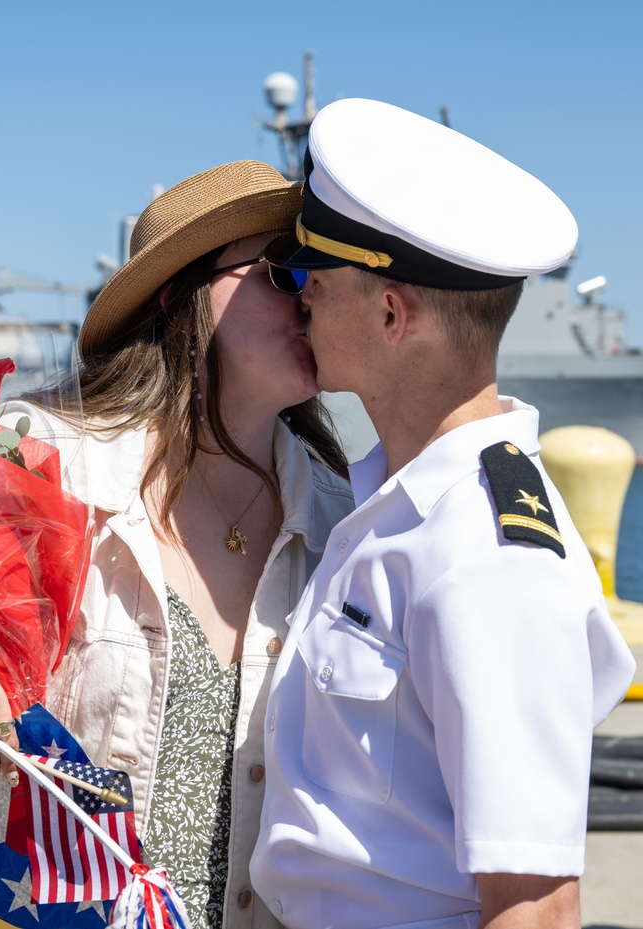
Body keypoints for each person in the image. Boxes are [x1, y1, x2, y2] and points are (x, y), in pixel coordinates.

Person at [0, 159, 355, 929]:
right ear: (178, 296)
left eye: (322, 270)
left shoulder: (345, 516)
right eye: (284, 267)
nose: (312, 291)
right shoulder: (41, 459)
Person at [248, 98, 638, 929]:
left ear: (392, 314)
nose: (297, 295)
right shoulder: (399, 506)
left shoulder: (488, 555)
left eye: (311, 274)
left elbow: (535, 912)